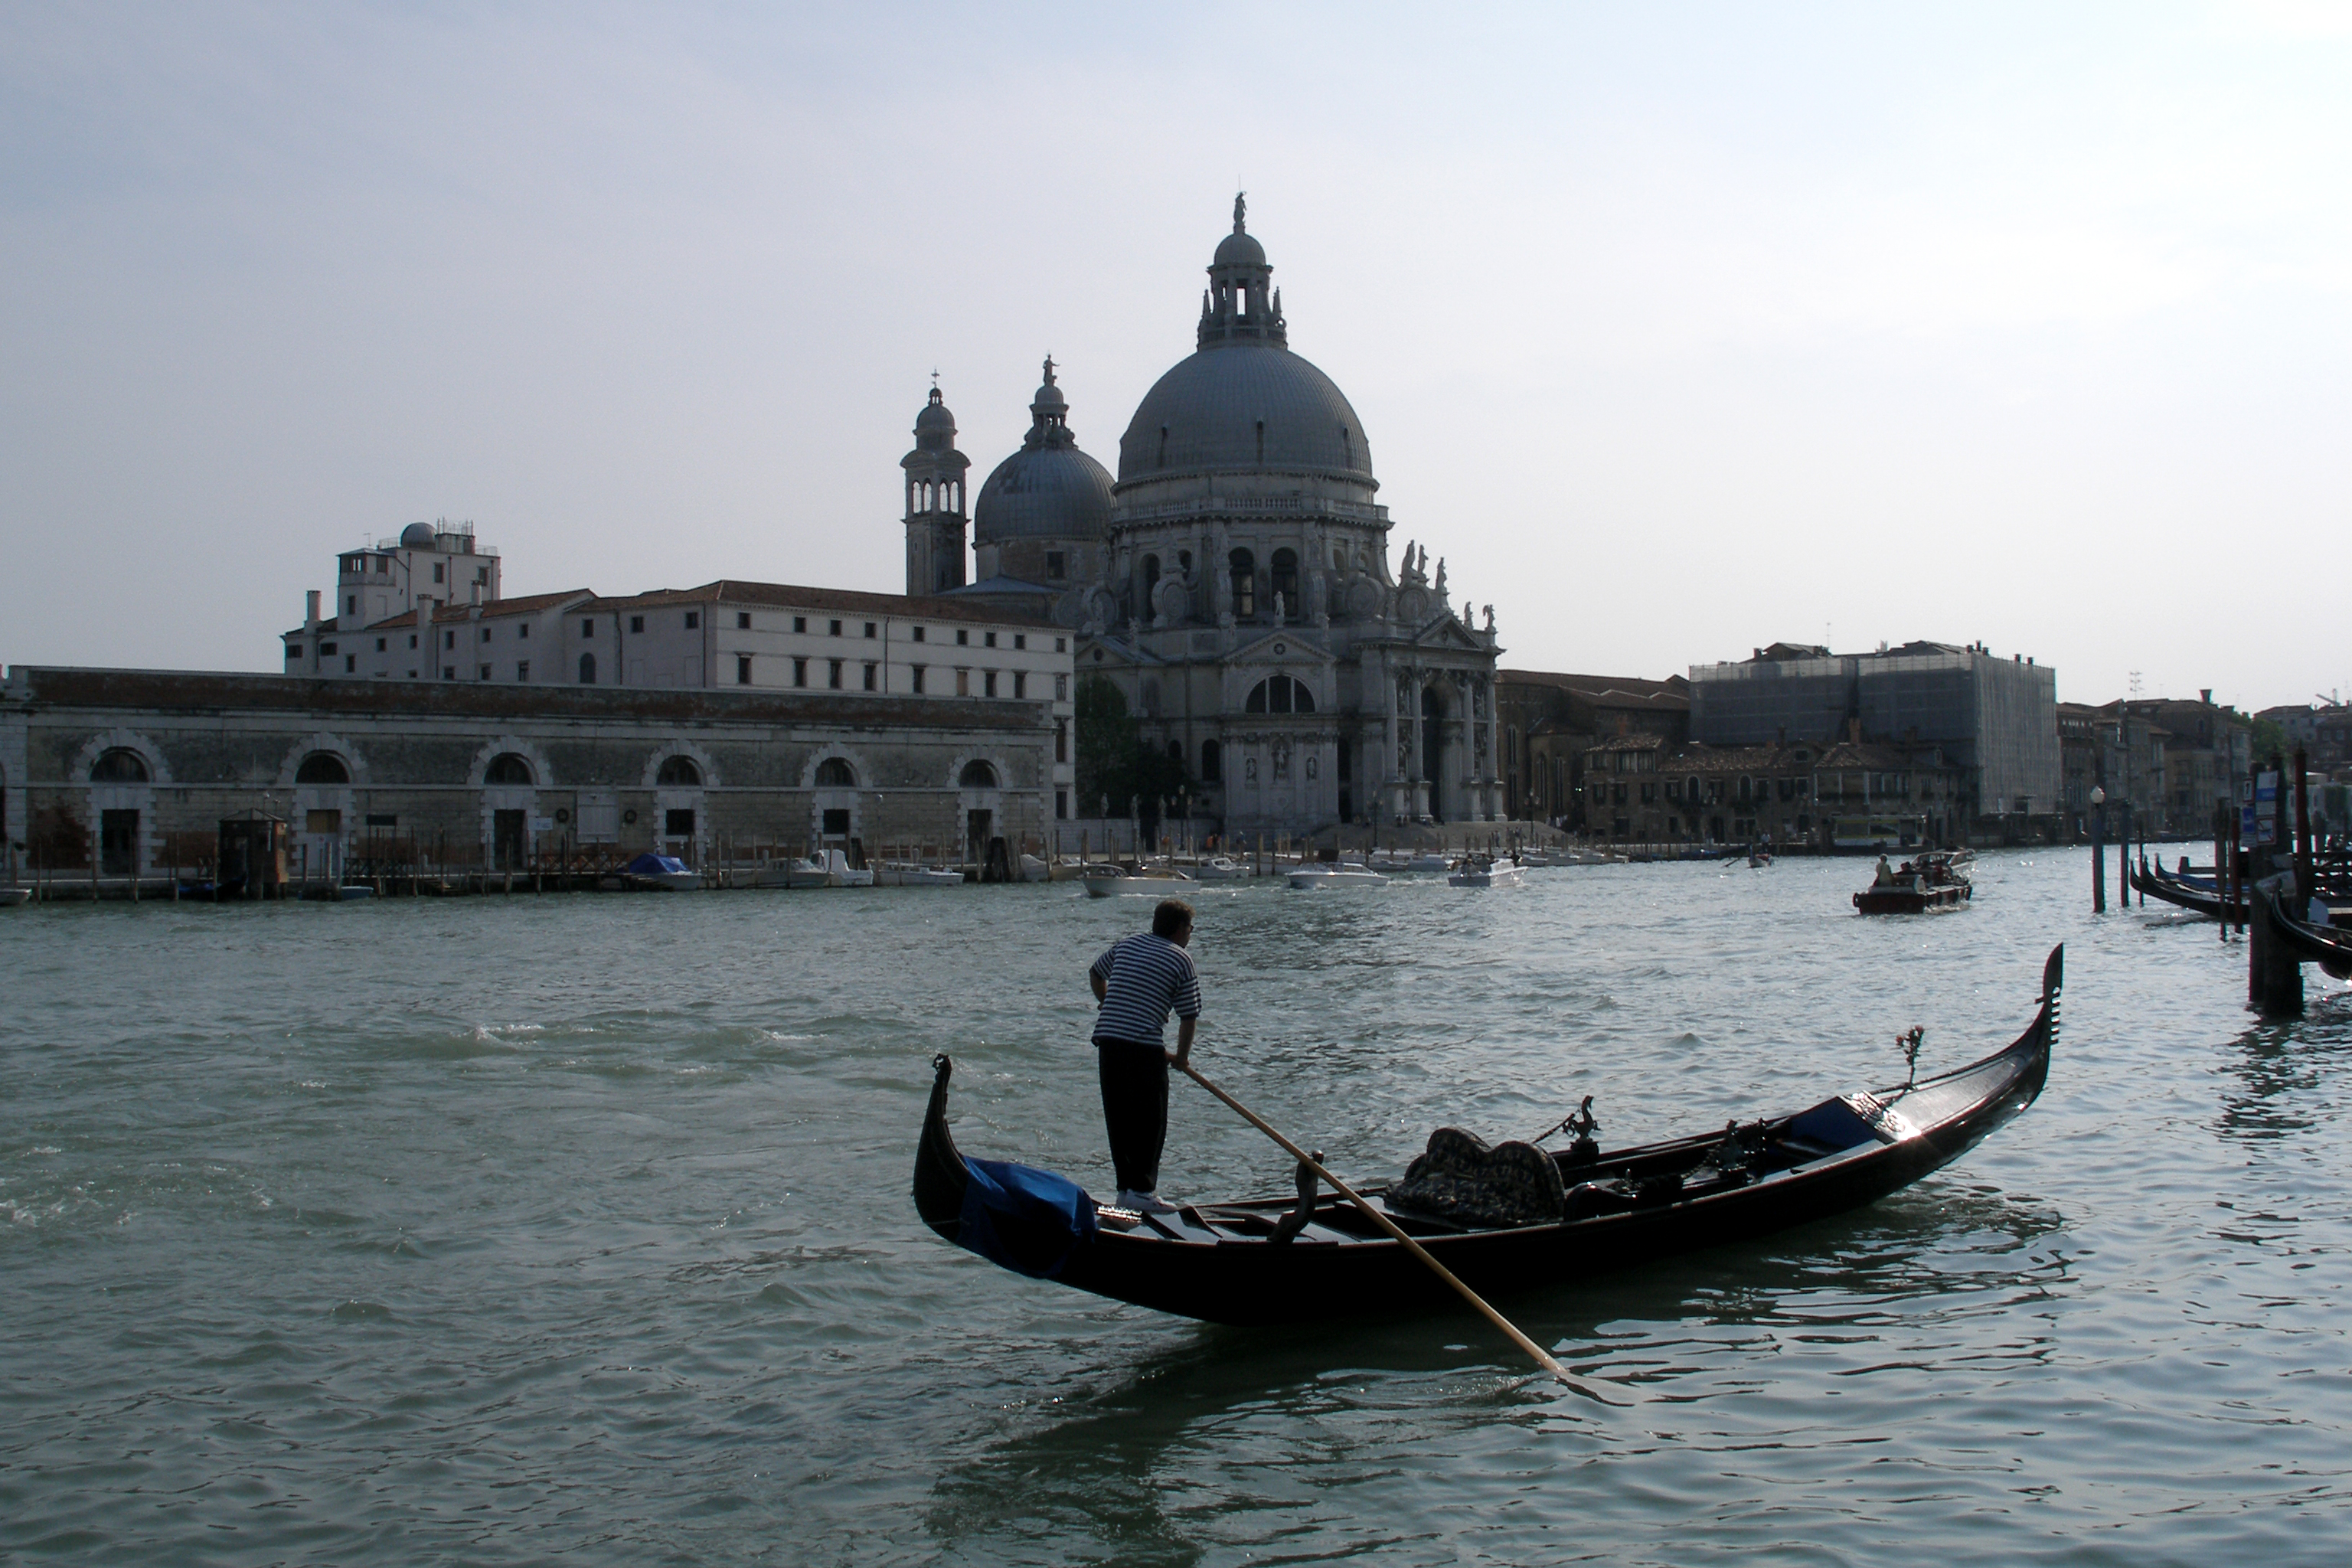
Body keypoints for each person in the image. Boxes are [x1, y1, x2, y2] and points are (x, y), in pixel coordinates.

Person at [1088, 898, 1203, 1215]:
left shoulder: (1128, 944)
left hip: (1109, 1043)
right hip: (1143, 1048)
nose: (1190, 935)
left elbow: (1096, 974)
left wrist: (1107, 1003)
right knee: (1151, 1122)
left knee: (1120, 1119)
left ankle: (1126, 1191)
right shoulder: (1181, 959)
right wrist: (1181, 1058)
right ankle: (1141, 1191)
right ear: (1180, 929)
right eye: (1190, 929)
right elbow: (1189, 1016)